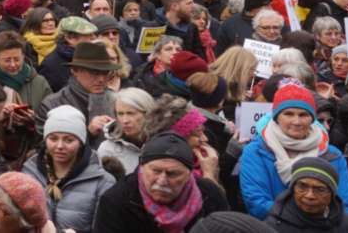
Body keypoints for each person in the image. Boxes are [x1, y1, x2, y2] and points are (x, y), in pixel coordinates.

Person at [238, 83, 348, 220]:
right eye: (288, 114)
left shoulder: (332, 155)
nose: (297, 121)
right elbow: (257, 204)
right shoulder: (256, 152)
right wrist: (308, 221)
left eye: (303, 115)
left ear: (312, 118)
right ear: (276, 117)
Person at [92, 132, 229, 233]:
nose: (162, 181)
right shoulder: (116, 200)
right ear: (142, 168)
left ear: (189, 174)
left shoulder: (209, 195)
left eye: (173, 174)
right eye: (156, 171)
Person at [21, 105, 114, 233]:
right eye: (53, 138)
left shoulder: (102, 181)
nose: (59, 146)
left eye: (69, 140)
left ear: (81, 142)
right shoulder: (29, 172)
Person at [36, 41, 119, 144]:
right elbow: (44, 148)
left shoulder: (118, 101)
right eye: (93, 73)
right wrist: (87, 133)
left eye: (105, 73)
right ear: (74, 71)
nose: (101, 79)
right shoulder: (52, 104)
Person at [263, 157, 348, 232]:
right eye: (302, 186)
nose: (310, 195)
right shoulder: (273, 227)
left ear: (332, 194)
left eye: (320, 189)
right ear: (293, 189)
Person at [98, 87, 157, 174]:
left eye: (131, 113)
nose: (125, 120)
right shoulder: (107, 149)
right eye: (120, 114)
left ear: (148, 113)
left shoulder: (165, 144)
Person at [0, 31, 51, 113]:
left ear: (23, 56)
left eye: (17, 59)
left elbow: (49, 115)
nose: (13, 65)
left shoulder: (40, 83)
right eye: (7, 60)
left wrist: (34, 119)